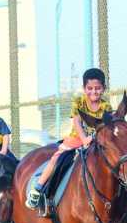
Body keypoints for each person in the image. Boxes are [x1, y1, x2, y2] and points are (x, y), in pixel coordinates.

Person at [26, 67, 112, 209]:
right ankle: (38, 188)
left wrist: (96, 139)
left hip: (96, 142)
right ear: (84, 88)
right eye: (89, 88)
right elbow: (77, 122)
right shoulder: (79, 102)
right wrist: (84, 139)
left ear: (103, 88)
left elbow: (106, 127)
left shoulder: (106, 106)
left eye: (98, 88)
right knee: (56, 158)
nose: (94, 91)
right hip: (75, 139)